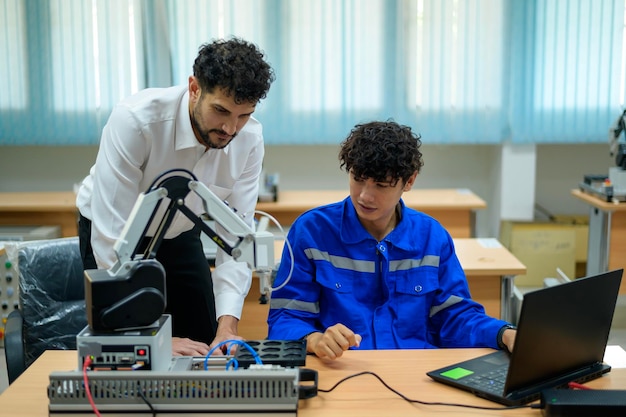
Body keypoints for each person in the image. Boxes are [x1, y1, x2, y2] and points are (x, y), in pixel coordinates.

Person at [76, 37, 275, 356]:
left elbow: (236, 239)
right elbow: (110, 237)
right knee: (134, 352)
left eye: (243, 115)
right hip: (116, 235)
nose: (230, 128)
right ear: (194, 88)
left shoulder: (249, 139)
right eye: (221, 111)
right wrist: (153, 340)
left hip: (179, 232)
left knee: (205, 342)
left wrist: (227, 328)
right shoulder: (136, 121)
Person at [267, 120, 516, 360]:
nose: (365, 196)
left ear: (409, 181)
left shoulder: (432, 237)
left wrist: (505, 334)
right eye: (358, 179)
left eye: (381, 185)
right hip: (342, 369)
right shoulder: (312, 232)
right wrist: (314, 340)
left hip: (414, 370)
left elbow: (455, 316)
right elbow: (285, 317)